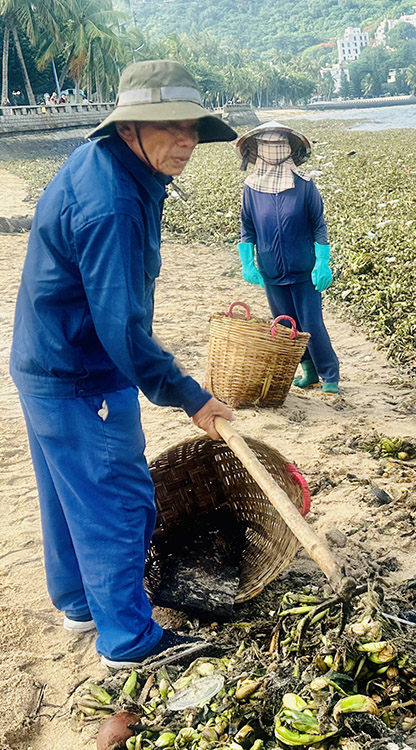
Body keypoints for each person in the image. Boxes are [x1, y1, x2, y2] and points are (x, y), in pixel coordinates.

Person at [9, 60, 237, 670]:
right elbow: (123, 329)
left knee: (69, 490)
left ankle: (81, 604)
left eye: (192, 126)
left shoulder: (114, 166)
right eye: (170, 126)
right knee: (119, 497)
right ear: (130, 126)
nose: (186, 139)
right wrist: (190, 395)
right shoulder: (112, 202)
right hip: (81, 369)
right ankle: (129, 641)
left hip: (44, 359)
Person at [235, 121, 339, 394]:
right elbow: (247, 228)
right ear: (257, 151)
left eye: (278, 145)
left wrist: (322, 261)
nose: (272, 150)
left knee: (312, 323)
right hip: (271, 270)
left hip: (305, 270)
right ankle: (309, 373)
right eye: (267, 145)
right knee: (286, 325)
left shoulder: (304, 185)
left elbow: (319, 225)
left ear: (288, 150)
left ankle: (330, 376)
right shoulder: (251, 189)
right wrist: (247, 262)